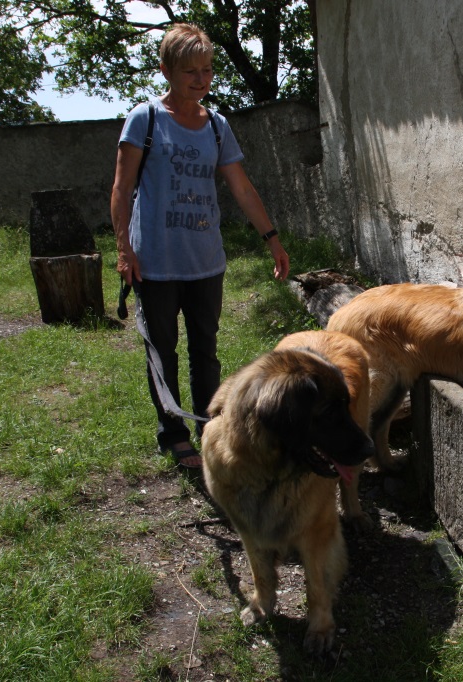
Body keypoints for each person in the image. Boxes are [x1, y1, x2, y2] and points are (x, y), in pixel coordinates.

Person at [111, 23, 290, 469]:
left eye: (207, 69)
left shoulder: (217, 126)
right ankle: (172, 433)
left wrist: (272, 238)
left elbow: (242, 188)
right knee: (163, 349)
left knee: (205, 349)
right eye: (190, 70)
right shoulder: (145, 119)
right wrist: (123, 249)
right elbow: (121, 187)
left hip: (205, 261)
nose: (201, 79)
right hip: (155, 262)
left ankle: (208, 427)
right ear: (166, 70)